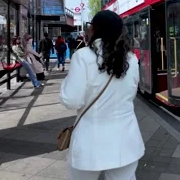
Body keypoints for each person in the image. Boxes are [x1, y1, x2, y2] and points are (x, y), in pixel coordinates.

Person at [59, 10, 144, 180]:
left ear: (95, 29)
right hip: (126, 141)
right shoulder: (131, 59)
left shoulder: (82, 57)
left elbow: (71, 100)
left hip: (90, 143)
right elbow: (131, 93)